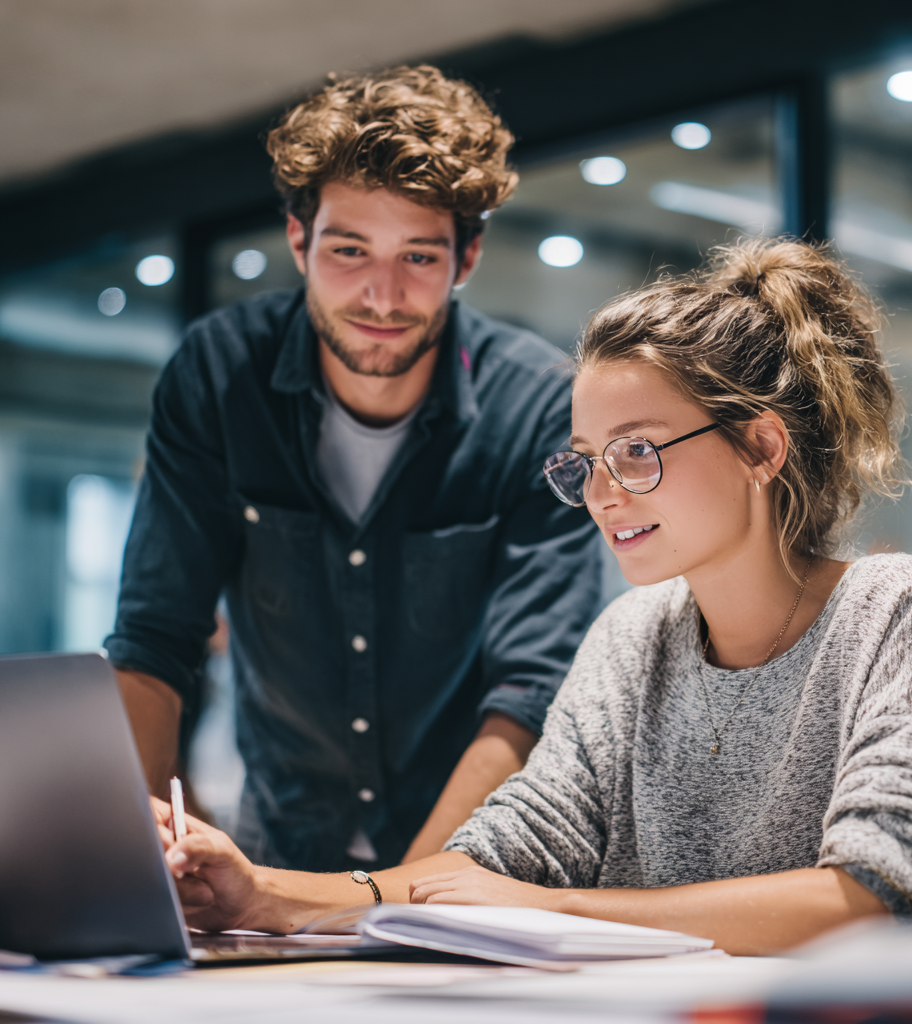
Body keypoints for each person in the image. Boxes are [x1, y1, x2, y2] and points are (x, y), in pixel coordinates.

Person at [152, 238, 912, 955]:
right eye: (583, 461)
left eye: (637, 451)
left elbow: (868, 901)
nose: (601, 492)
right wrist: (263, 896)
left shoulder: (896, 609)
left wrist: (551, 909)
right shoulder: (633, 637)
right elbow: (491, 860)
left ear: (760, 446)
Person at [106, 66, 602, 872]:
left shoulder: (541, 407)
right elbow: (155, 639)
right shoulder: (218, 374)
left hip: (468, 869)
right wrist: (141, 860)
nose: (382, 293)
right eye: (348, 249)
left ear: (466, 256)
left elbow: (530, 692)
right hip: (276, 856)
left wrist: (400, 895)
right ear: (299, 241)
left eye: (417, 255)